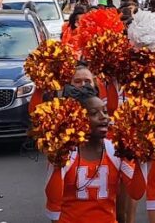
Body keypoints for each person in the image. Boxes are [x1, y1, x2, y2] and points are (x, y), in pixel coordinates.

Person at [44, 85, 146, 223]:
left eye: (104, 111)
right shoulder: (67, 152)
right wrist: (57, 164)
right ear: (78, 118)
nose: (103, 117)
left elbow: (136, 193)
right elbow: (53, 199)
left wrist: (141, 161)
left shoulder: (115, 150)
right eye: (94, 113)